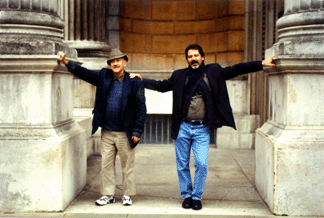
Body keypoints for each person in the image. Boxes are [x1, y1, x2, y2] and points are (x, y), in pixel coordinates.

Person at [130, 44, 275, 210]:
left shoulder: (213, 71)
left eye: (196, 55)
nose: (193, 59)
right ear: (187, 59)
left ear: (202, 57)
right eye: (190, 56)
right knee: (182, 164)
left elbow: (236, 69)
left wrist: (261, 64)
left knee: (201, 164)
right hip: (183, 127)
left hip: (201, 129)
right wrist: (141, 80)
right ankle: (187, 195)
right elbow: (161, 86)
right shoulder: (179, 75)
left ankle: (197, 196)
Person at [57, 49, 146, 206]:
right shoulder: (104, 77)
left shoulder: (134, 82)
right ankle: (107, 194)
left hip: (126, 132)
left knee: (127, 166)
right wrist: (66, 63)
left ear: (125, 62)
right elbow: (85, 73)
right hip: (107, 131)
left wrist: (137, 131)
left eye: (118, 60)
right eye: (112, 61)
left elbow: (141, 108)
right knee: (106, 165)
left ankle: (127, 194)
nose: (115, 63)